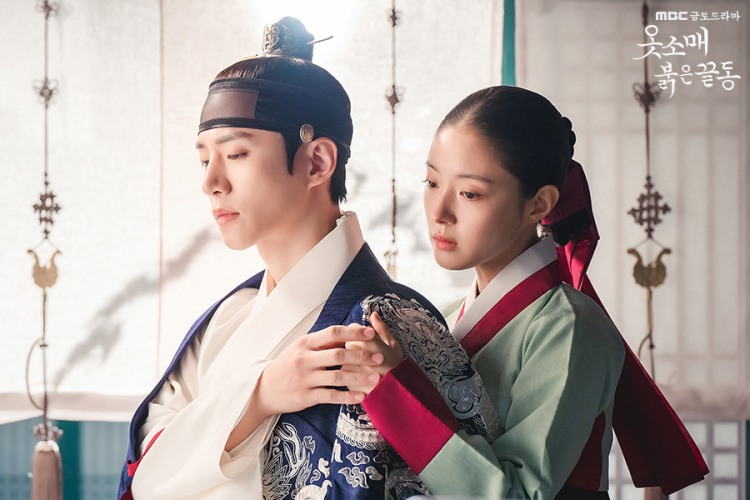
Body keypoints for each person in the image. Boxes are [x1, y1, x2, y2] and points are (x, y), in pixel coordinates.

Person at [117, 17, 499, 500]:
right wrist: (260, 395)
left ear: (317, 161)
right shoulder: (230, 315)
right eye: (204, 159)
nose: (210, 182)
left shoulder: (388, 324)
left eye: (236, 154)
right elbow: (145, 467)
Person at [344, 86, 708, 498]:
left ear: (538, 204)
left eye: (469, 193)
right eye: (431, 182)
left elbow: (519, 494)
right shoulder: (439, 319)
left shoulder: (571, 327)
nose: (439, 213)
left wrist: (396, 393)